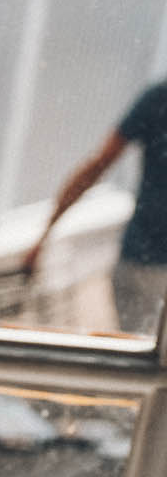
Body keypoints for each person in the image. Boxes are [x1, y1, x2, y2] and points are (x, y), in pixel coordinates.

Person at [26, 79, 167, 333]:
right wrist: (46, 233)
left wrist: (46, 233)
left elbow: (98, 165)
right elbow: (98, 165)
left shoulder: (158, 98)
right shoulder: (158, 99)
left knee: (139, 351)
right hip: (143, 265)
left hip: (142, 263)